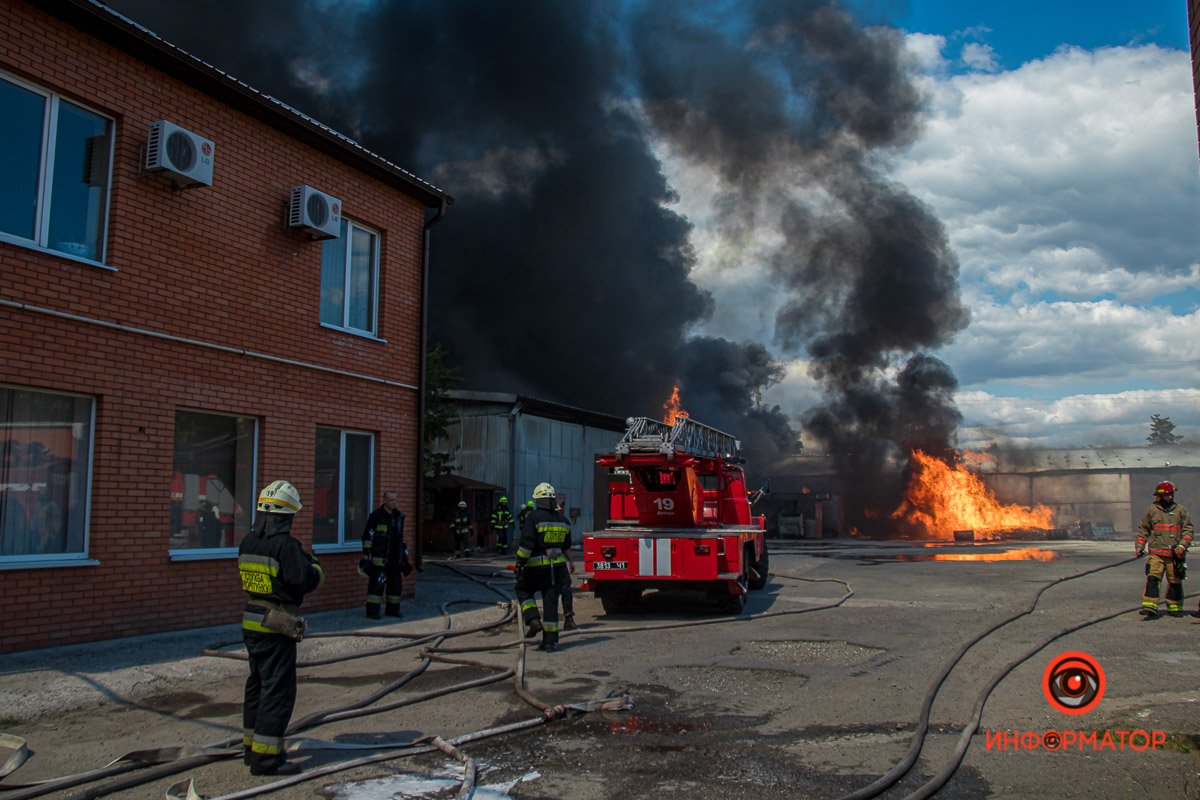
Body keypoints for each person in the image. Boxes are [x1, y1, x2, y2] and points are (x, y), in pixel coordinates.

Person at [237, 480, 324, 776]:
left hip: (251, 619)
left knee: (257, 685)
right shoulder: (285, 546)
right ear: (286, 517)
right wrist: (315, 566)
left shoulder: (248, 541)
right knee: (278, 690)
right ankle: (267, 759)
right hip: (276, 624)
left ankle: (251, 749)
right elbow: (304, 580)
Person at [514, 482, 572, 652]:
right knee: (551, 605)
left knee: (523, 590)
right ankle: (549, 643)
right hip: (557, 570)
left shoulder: (533, 517)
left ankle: (533, 620)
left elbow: (526, 545)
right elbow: (566, 545)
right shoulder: (564, 520)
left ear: (538, 500)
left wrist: (519, 564)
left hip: (535, 569)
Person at [1135, 480, 1193, 618]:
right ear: (1160, 496)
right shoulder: (1152, 511)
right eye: (1167, 495)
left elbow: (1188, 530)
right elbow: (1144, 529)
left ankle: (1175, 607)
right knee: (1153, 578)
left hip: (1175, 555)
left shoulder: (1181, 511)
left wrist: (1182, 545)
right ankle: (1150, 606)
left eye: (1171, 494)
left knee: (1175, 581)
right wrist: (1139, 546)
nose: (1170, 497)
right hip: (1156, 554)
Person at [362, 490, 412, 619]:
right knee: (376, 586)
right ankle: (372, 612)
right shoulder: (376, 516)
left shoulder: (399, 517)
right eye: (391, 500)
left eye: (395, 500)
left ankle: (393, 610)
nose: (394, 502)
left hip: (395, 560)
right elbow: (368, 536)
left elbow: (402, 539)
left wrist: (405, 558)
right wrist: (366, 554)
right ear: (384, 500)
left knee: (395, 586)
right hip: (380, 559)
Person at [555, 500, 579, 631]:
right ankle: (568, 619)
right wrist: (571, 561)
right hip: (557, 563)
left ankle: (546, 620)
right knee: (565, 589)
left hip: (543, 563)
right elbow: (566, 547)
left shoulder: (539, 519)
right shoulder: (564, 522)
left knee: (551, 590)